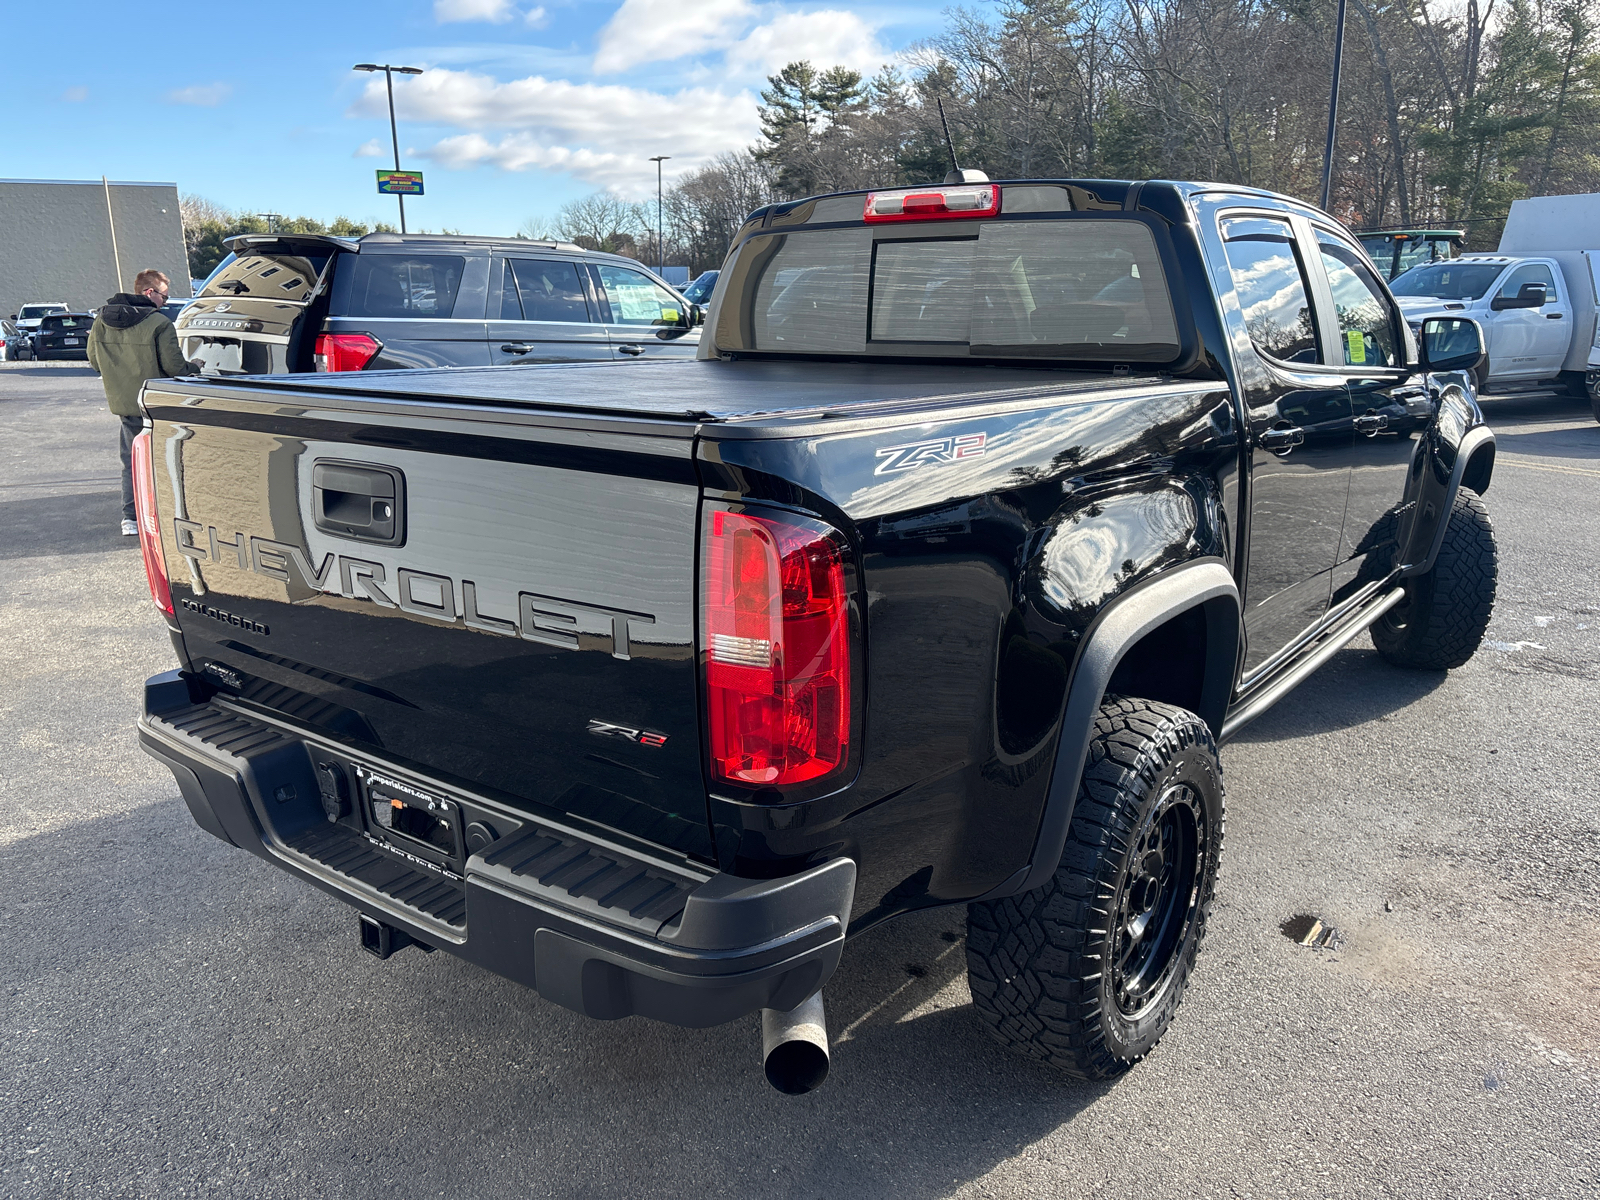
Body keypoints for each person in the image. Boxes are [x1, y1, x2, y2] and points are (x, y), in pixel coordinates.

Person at [86, 269, 194, 536]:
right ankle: (162, 515)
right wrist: (196, 367)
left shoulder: (101, 320)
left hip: (125, 405)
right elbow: (175, 368)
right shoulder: (159, 323)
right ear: (149, 293)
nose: (166, 303)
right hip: (155, 403)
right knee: (165, 461)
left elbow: (94, 361)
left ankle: (130, 519)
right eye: (165, 297)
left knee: (131, 461)